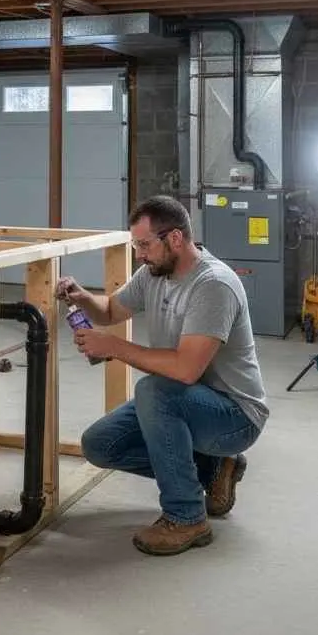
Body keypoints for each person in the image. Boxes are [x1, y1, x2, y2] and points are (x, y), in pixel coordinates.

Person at [57, 195, 268, 556]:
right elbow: (110, 311)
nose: (139, 253)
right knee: (100, 444)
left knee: (154, 391)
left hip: (234, 415)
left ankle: (187, 517)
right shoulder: (154, 273)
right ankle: (212, 469)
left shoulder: (213, 285)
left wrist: (114, 348)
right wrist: (82, 297)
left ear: (174, 239)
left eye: (143, 244)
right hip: (186, 402)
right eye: (136, 245)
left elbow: (186, 370)